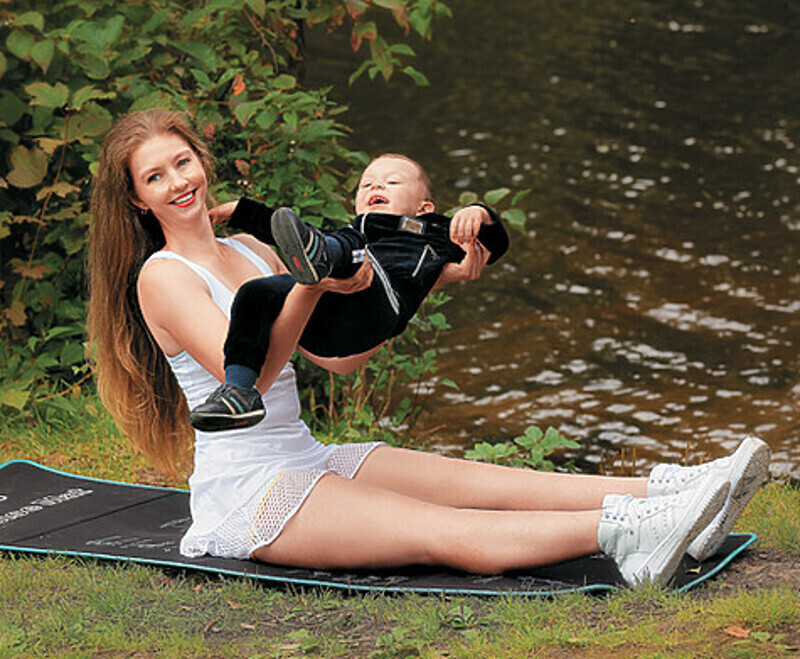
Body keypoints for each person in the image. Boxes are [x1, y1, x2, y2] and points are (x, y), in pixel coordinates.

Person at [87, 109, 771, 588]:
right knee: (445, 528)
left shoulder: (250, 248)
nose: (179, 182)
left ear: (201, 161)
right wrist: (310, 283)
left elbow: (338, 358)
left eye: (182, 162)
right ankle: (638, 530)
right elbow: (254, 380)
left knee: (492, 483)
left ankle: (679, 489)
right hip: (249, 490)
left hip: (304, 453)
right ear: (139, 200)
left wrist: (428, 279)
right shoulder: (163, 277)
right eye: (156, 177)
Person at [188, 153, 510, 432]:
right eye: (366, 184)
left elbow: (496, 245)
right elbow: (284, 230)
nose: (376, 187)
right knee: (256, 292)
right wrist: (240, 212)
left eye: (392, 182)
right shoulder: (352, 232)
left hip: (380, 305)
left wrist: (478, 213)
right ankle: (239, 392)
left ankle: (320, 259)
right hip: (326, 325)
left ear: (423, 207)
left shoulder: (434, 231)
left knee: (346, 250)